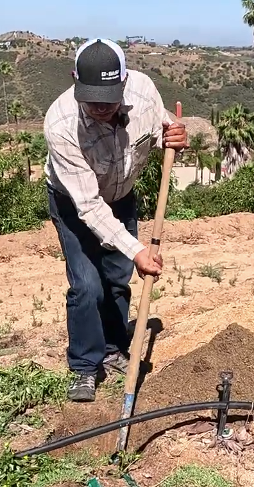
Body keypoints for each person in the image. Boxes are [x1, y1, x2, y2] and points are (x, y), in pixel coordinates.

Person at [43, 38, 188, 402]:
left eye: (108, 97)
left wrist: (174, 135)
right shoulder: (60, 125)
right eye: (91, 97)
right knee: (87, 285)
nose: (100, 106)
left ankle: (112, 347)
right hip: (75, 204)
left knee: (117, 278)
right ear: (75, 83)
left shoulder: (144, 90)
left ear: (124, 82)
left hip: (121, 196)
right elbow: (89, 206)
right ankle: (84, 366)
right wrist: (137, 249)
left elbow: (161, 131)